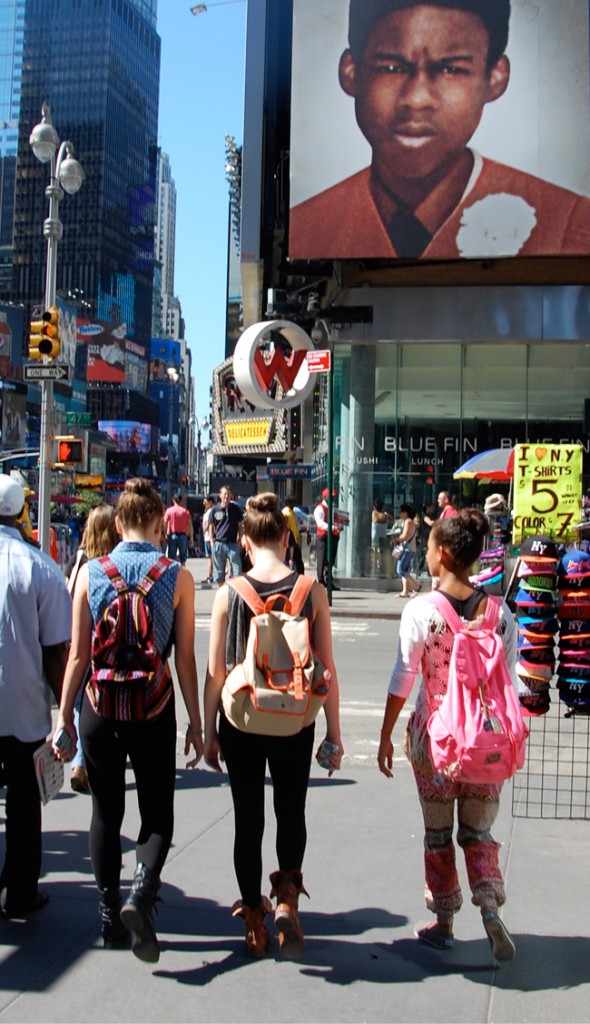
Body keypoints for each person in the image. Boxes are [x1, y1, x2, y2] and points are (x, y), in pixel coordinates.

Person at [290, 0, 590, 260]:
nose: (416, 99)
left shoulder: (567, 222)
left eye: (451, 69)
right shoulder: (303, 229)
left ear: (495, 78)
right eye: (391, 68)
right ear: (350, 72)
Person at [52, 479, 204, 960]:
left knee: (105, 811)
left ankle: (107, 916)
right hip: (153, 707)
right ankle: (141, 893)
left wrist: (64, 719)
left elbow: (78, 656)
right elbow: (184, 661)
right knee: (157, 812)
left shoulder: (91, 572)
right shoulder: (176, 576)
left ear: (118, 523)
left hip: (100, 708)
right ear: (161, 522)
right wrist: (196, 723)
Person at [204, 493, 343, 958]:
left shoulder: (229, 593)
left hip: (241, 720)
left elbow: (216, 673)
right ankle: (287, 896)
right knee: (292, 809)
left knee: (249, 820)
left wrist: (207, 730)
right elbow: (327, 668)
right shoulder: (312, 592)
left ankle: (253, 924)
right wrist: (334, 734)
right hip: (295, 719)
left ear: (243, 541)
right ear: (287, 539)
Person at [378, 508, 518, 960]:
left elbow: (403, 678)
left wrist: (385, 735)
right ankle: (491, 905)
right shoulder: (501, 614)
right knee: (478, 833)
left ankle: (444, 920)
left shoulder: (422, 610)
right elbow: (509, 683)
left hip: (435, 745)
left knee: (438, 835)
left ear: (441, 553)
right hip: (486, 745)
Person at [0, 475, 71, 917]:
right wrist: (66, 714)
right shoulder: (39, 567)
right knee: (25, 804)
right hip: (23, 709)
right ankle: (20, 892)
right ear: (21, 513)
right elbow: (56, 652)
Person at [66, 504, 120, 795]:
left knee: (78, 705)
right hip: (107, 647)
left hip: (80, 642)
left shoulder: (80, 561)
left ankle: (79, 762)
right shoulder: (113, 566)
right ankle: (85, 760)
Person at [209, 485, 244, 584]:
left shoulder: (236, 509)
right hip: (219, 543)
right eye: (224, 494)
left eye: (228, 494)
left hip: (232, 544)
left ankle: (236, 592)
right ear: (220, 495)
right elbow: (211, 526)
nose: (226, 496)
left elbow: (240, 526)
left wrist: (240, 539)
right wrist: (212, 541)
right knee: (219, 573)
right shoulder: (215, 509)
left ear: (231, 496)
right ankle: (222, 590)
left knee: (237, 571)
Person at [314, 488, 341, 589]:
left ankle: (329, 580)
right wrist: (333, 527)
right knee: (321, 559)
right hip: (323, 536)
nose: (333, 498)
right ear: (324, 497)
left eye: (333, 497)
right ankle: (321, 581)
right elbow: (320, 524)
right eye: (331, 497)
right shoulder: (320, 509)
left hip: (333, 536)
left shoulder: (332, 508)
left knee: (330, 560)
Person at [394, 502, 421, 597]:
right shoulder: (409, 521)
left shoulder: (408, 522)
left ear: (406, 512)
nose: (399, 513)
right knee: (405, 570)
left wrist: (396, 538)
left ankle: (416, 586)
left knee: (400, 570)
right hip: (409, 548)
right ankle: (405, 591)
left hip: (407, 549)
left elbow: (405, 536)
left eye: (401, 511)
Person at [164, 492, 193, 565]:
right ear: (181, 500)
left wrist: (164, 534)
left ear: (173, 500)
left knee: (171, 557)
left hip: (172, 535)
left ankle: (172, 573)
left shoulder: (169, 511)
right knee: (183, 558)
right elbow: (189, 525)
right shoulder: (185, 511)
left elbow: (165, 523)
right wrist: (191, 537)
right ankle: (182, 572)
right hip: (183, 536)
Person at [202, 494, 215, 584]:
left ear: (210, 502)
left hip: (209, 537)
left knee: (210, 557)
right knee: (211, 557)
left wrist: (205, 528)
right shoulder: (209, 511)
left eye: (206, 500)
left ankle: (211, 576)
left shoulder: (210, 511)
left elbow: (209, 524)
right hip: (208, 537)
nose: (204, 502)